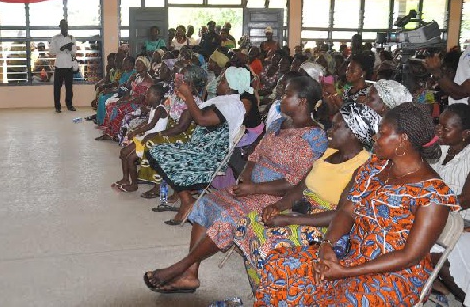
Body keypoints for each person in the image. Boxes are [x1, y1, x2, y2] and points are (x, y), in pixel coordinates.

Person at [254, 102, 459, 306]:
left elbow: (410, 256)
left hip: (394, 275)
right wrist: (328, 246)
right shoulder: (375, 167)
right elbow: (348, 211)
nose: (374, 138)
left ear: (403, 140)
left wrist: (345, 272)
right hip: (353, 254)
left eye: (382, 133)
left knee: (346, 300)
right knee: (281, 265)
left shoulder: (433, 194)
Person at [143, 76, 328, 293]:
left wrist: (254, 189)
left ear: (303, 101)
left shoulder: (314, 137)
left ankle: (181, 266)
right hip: (251, 188)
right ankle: (191, 274)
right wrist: (246, 177)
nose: (281, 98)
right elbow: (256, 154)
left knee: (228, 217)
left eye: (287, 95)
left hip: (276, 199)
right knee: (205, 203)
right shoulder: (279, 124)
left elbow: (296, 183)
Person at [235, 102, 379, 289]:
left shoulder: (363, 167)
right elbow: (301, 186)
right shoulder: (329, 152)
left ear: (353, 133)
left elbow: (341, 215)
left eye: (336, 127)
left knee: (270, 243)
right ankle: (263, 290)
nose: (330, 130)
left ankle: (277, 292)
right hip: (302, 210)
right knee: (249, 223)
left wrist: (291, 220)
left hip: (325, 225)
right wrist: (277, 206)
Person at [146, 67, 249, 225]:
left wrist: (188, 96)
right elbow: (193, 114)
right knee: (155, 151)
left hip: (211, 155)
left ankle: (187, 201)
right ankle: (186, 199)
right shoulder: (222, 101)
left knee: (161, 154)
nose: (218, 83)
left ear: (229, 85)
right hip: (199, 148)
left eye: (222, 81)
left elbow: (202, 120)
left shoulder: (231, 105)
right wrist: (186, 97)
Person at [137, 65, 207, 199]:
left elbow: (181, 127)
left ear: (190, 83)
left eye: (181, 77)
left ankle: (158, 186)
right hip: (172, 129)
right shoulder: (178, 96)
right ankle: (154, 178)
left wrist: (158, 134)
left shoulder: (193, 102)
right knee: (148, 138)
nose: (176, 79)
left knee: (153, 142)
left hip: (184, 135)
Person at [430, 104, 470, 304]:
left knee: (436, 255)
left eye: (446, 128)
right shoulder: (441, 150)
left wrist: (431, 207)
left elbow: (465, 200)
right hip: (436, 212)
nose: (439, 130)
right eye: (439, 124)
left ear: (465, 133)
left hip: (461, 220)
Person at [113, 84, 169, 192]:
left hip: (152, 141)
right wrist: (138, 128)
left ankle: (134, 185)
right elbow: (148, 122)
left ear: (156, 96)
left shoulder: (160, 109)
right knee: (124, 152)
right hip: (146, 137)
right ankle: (125, 179)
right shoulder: (154, 108)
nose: (146, 96)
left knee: (130, 159)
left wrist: (135, 131)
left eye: (148, 94)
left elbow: (151, 125)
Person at [98, 56, 153, 141]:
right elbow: (129, 91)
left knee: (119, 109)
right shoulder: (137, 77)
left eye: (139, 65)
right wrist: (122, 99)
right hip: (132, 100)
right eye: (136, 65)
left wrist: (125, 102)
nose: (137, 66)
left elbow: (140, 98)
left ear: (146, 66)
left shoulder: (148, 80)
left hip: (139, 104)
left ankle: (113, 134)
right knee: (111, 105)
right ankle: (110, 132)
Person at [50, 19, 77, 112]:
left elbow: (74, 52)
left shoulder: (72, 38)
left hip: (69, 66)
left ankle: (69, 105)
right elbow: (51, 51)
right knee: (57, 88)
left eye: (66, 25)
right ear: (60, 27)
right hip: (59, 66)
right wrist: (61, 49)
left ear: (67, 26)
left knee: (69, 88)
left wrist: (69, 49)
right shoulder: (55, 38)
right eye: (62, 25)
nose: (64, 27)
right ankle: (57, 107)